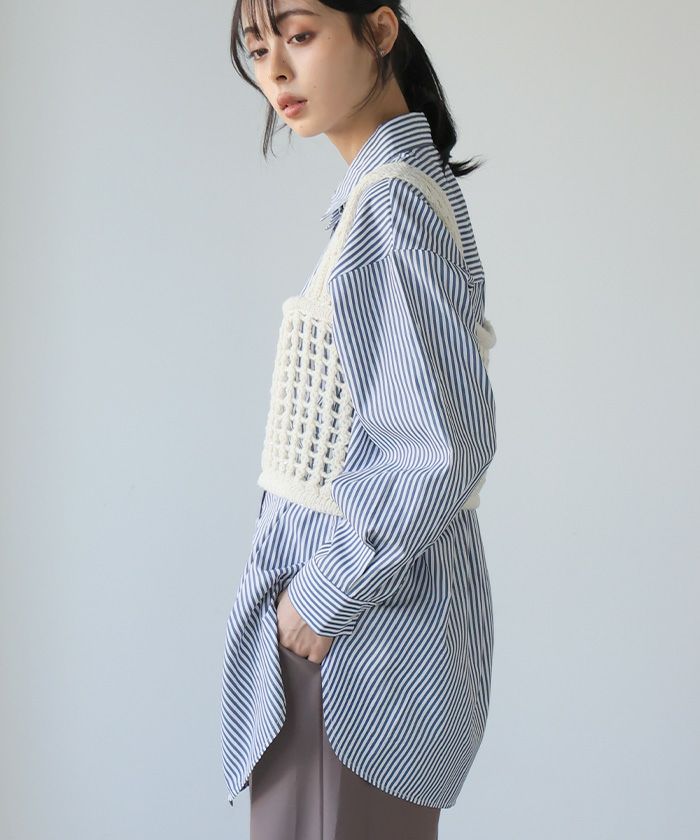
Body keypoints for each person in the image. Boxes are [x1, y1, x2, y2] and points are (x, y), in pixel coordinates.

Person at [221, 2, 497, 838]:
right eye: (257, 48)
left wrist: (321, 596)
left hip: (352, 646)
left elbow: (444, 445)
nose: (275, 71)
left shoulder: (390, 206)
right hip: (363, 634)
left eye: (299, 36)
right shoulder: (398, 194)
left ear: (380, 31)